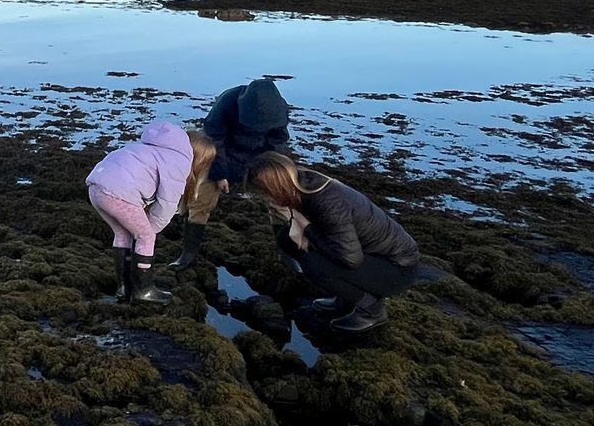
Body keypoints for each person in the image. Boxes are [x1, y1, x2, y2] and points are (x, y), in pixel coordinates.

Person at [249, 152, 422, 332]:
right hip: (370, 256)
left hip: (397, 269)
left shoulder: (327, 202)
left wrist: (307, 228)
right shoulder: (303, 185)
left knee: (314, 264)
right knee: (286, 238)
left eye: (266, 192)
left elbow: (349, 258)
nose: (267, 199)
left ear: (277, 185)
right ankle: (346, 298)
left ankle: (372, 310)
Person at [85, 119, 216, 305]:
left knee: (122, 233)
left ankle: (124, 288)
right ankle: (143, 290)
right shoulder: (179, 163)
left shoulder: (152, 148)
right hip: (119, 193)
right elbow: (167, 202)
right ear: (199, 159)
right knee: (146, 236)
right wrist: (151, 230)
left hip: (96, 186)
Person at [169, 78, 292, 270]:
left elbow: (278, 142)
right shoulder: (227, 102)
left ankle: (287, 256)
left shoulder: (278, 108)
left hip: (259, 156)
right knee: (201, 199)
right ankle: (188, 255)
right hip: (222, 154)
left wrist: (275, 172)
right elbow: (214, 140)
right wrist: (220, 174)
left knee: (281, 202)